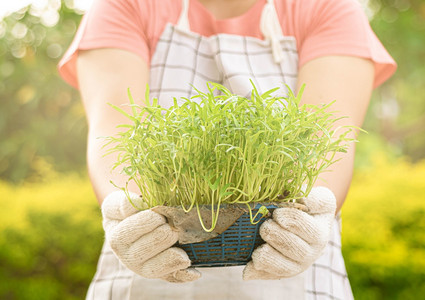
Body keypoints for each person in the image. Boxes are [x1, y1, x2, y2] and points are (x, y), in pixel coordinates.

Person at [58, 0, 396, 299]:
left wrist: (311, 210)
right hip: (145, 273)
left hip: (295, 270)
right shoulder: (125, 5)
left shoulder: (327, 7)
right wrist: (126, 212)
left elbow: (325, 139)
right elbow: (113, 131)